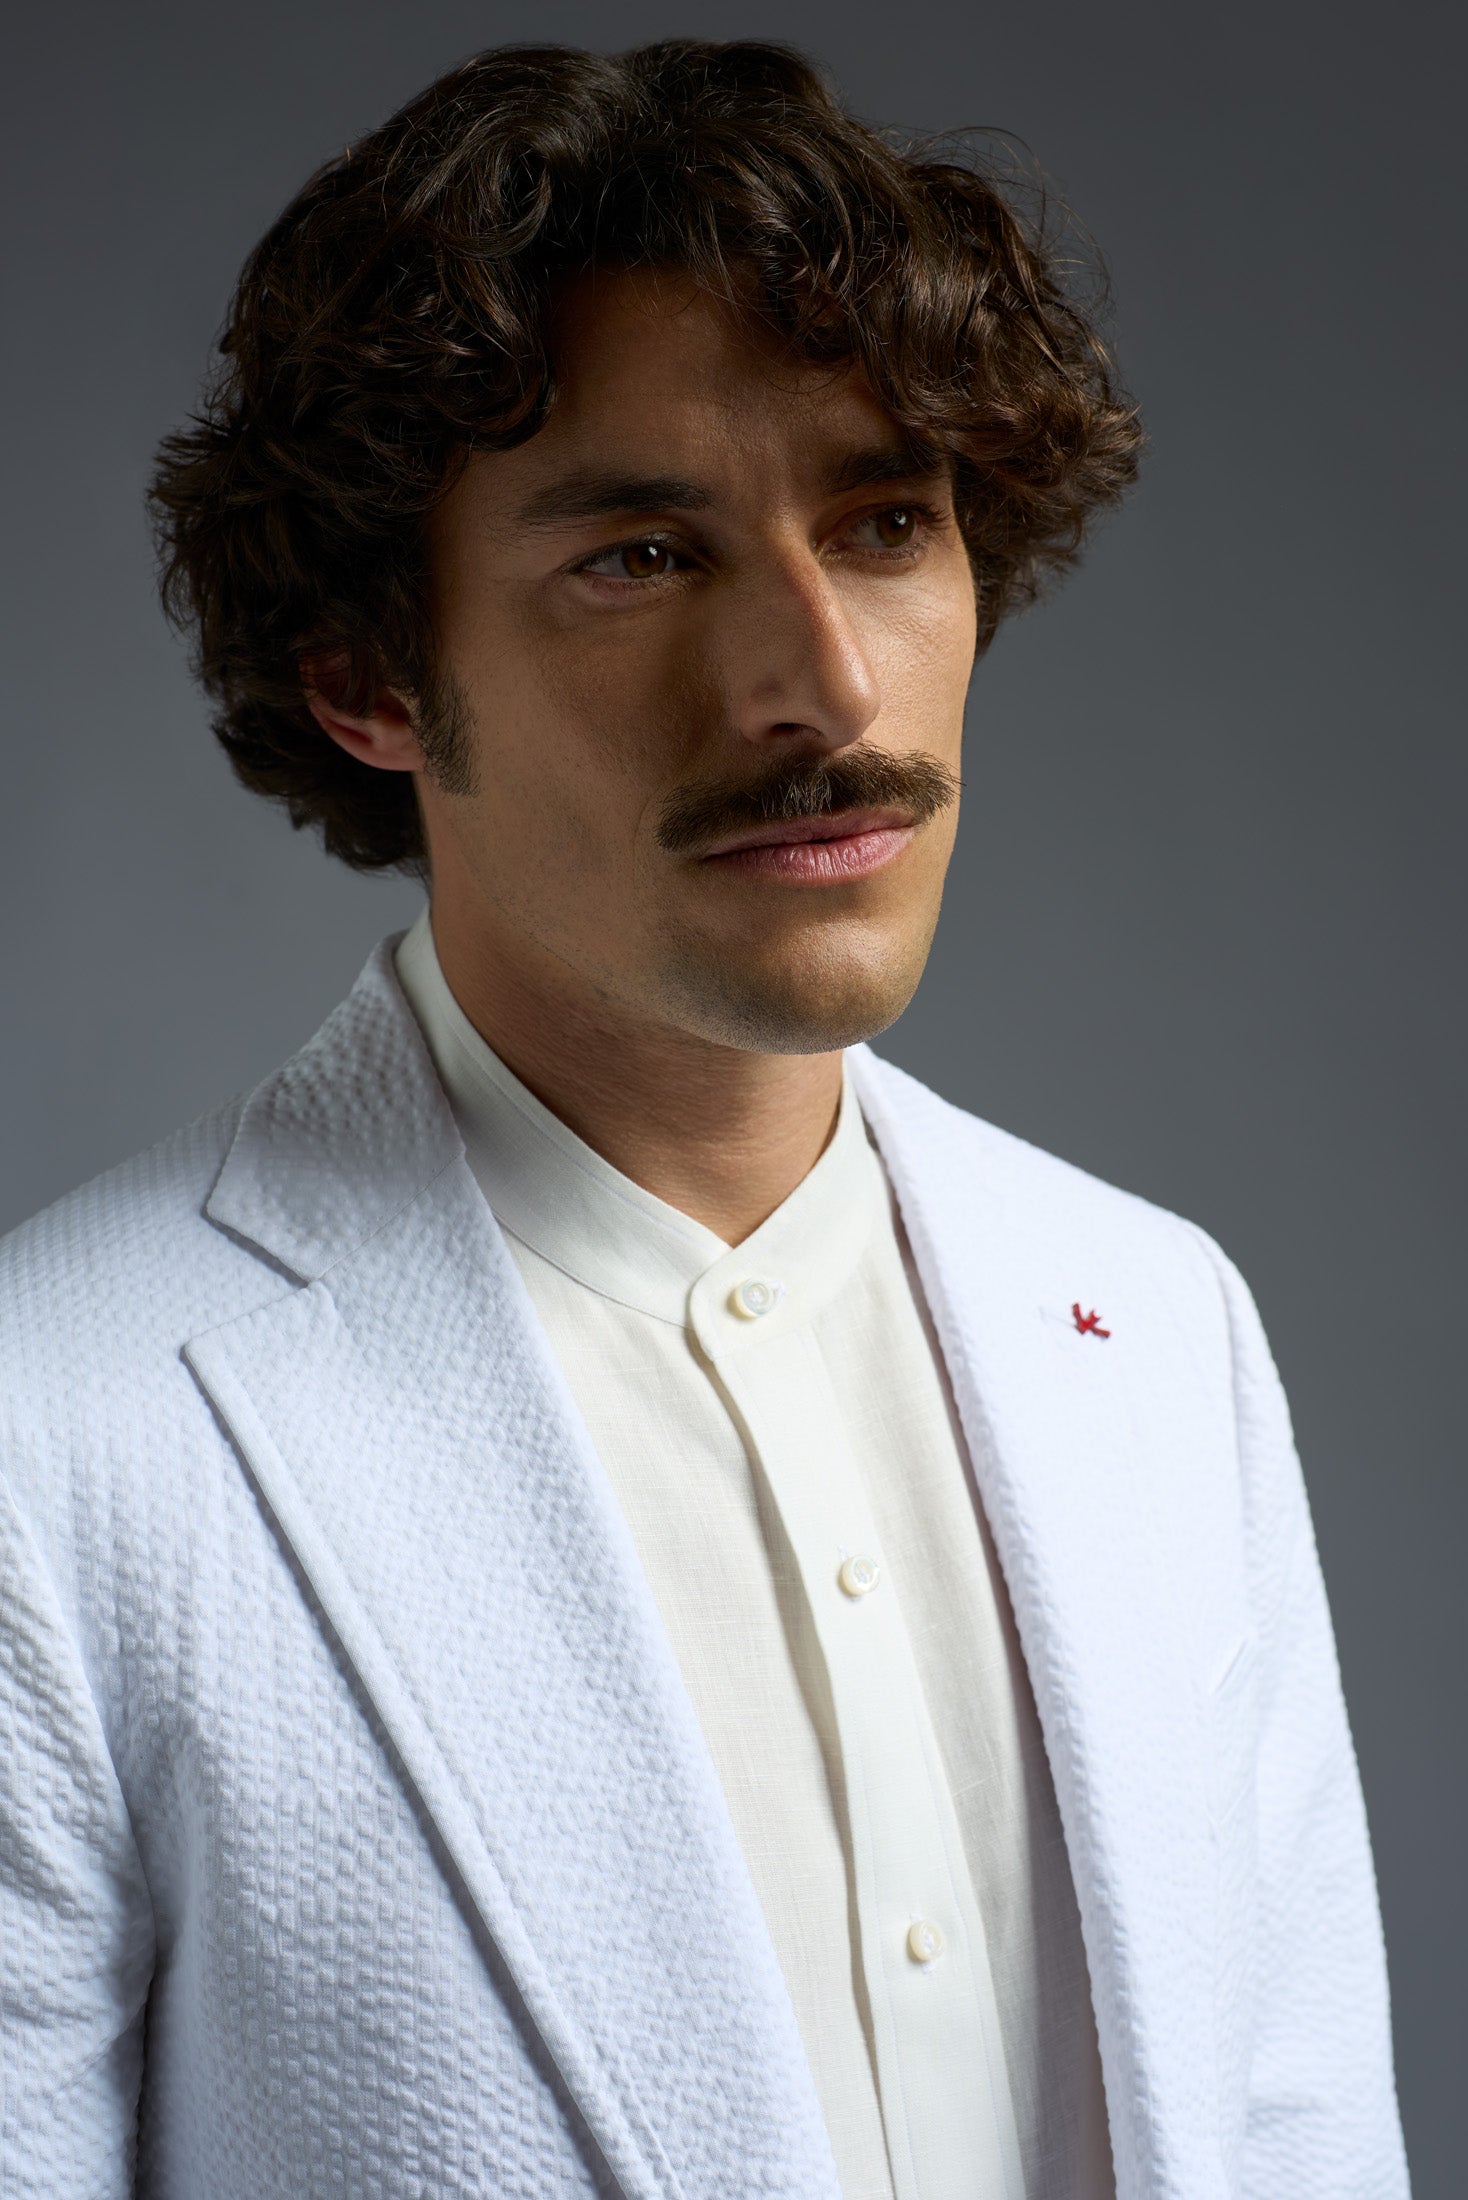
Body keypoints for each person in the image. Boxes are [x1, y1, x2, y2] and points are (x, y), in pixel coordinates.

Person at [0, 38, 1407, 2200]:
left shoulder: (1157, 1326)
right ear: (369, 676)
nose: (822, 686)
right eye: (644, 554)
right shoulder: (52, 1436)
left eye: (885, 523)